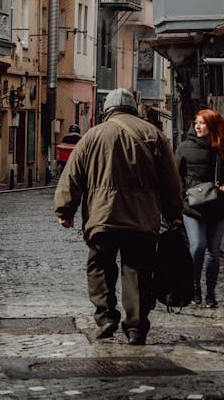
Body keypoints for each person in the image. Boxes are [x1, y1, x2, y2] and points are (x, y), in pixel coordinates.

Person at [54, 88, 183, 346]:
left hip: (102, 217)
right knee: (137, 271)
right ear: (134, 108)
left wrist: (65, 210)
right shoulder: (154, 135)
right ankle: (136, 327)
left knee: (100, 267)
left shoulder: (92, 136)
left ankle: (105, 317)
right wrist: (173, 213)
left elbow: (72, 176)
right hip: (142, 219)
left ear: (108, 110)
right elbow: (170, 180)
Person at [174, 109, 224, 308]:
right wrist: (182, 198)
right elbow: (176, 176)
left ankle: (210, 292)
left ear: (213, 126)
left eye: (203, 123)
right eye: (196, 123)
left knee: (213, 252)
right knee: (197, 246)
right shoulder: (184, 147)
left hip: (218, 206)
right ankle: (194, 287)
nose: (198, 126)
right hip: (193, 207)